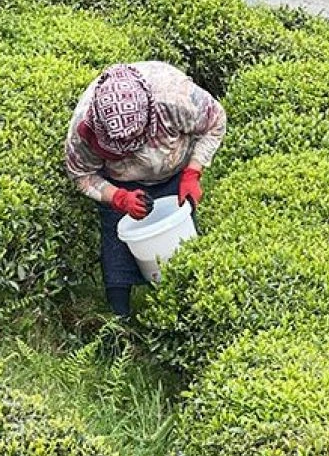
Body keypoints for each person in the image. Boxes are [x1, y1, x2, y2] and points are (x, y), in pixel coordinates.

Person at [65, 62, 226, 317]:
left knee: (181, 249)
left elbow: (216, 121)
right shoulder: (84, 126)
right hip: (120, 184)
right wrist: (117, 198)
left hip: (174, 173)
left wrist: (193, 172)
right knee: (116, 249)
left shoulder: (175, 98)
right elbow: (81, 174)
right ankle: (118, 323)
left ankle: (188, 313)